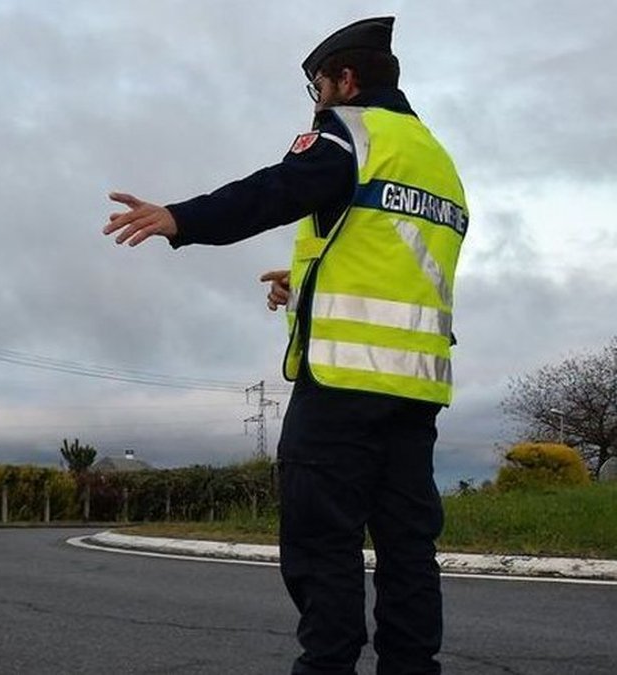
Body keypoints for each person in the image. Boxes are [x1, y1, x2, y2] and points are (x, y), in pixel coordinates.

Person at [102, 16, 467, 675]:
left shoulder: (350, 130)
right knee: (409, 547)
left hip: (341, 390)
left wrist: (182, 217)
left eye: (319, 85)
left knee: (321, 542)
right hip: (416, 389)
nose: (319, 99)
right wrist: (300, 286)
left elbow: (278, 188)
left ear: (346, 80)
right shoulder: (437, 159)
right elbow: (391, 263)